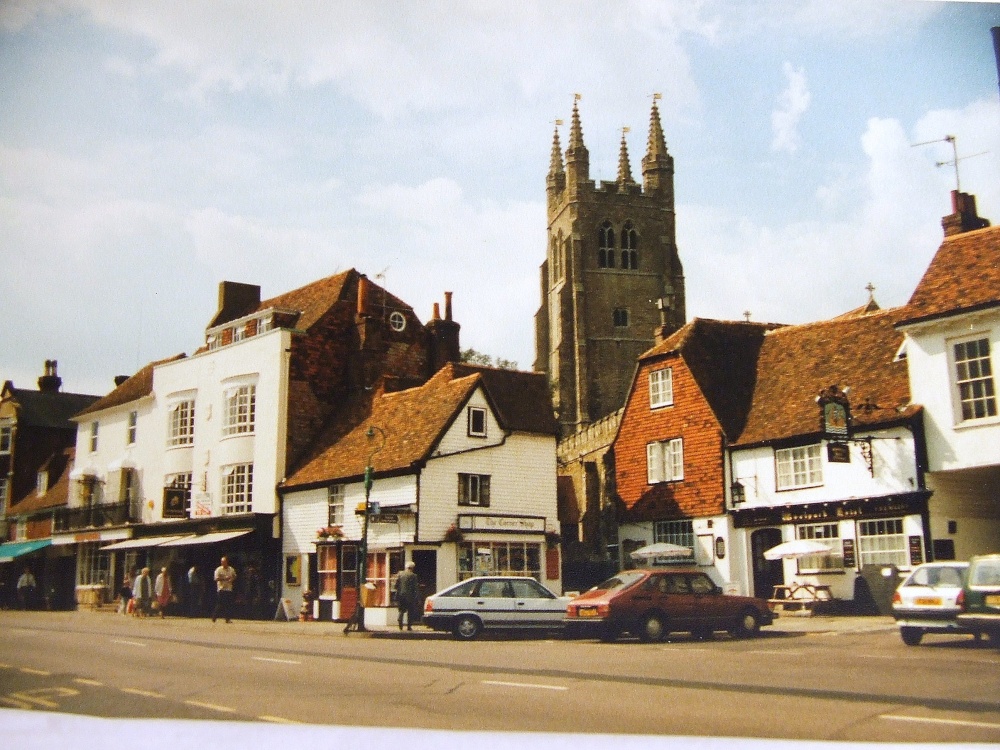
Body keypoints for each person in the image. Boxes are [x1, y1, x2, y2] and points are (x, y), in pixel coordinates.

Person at [393, 561, 420, 631]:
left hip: (401, 595)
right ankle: (409, 626)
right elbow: (415, 588)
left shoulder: (400, 574)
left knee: (401, 610)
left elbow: (395, 585)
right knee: (410, 611)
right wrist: (417, 597)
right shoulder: (413, 576)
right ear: (412, 568)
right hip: (410, 596)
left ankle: (400, 621)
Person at [213, 556, 237, 623]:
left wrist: (232, 579)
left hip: (229, 588)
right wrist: (224, 579)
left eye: (224, 562)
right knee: (220, 604)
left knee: (228, 604)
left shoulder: (231, 569)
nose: (222, 563)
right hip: (221, 588)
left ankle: (227, 619)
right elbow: (216, 579)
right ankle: (214, 617)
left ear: (227, 562)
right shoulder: (218, 569)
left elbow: (234, 576)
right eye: (221, 562)